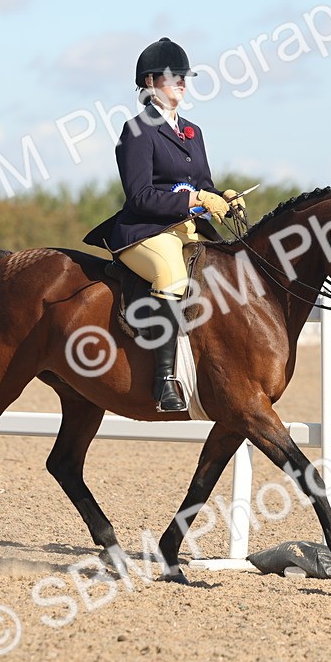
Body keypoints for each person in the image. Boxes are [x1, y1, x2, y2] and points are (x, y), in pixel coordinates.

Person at [83, 37, 244, 412]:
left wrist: (222, 195)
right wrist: (195, 199)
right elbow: (140, 196)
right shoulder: (136, 131)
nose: (183, 84)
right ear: (152, 81)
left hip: (188, 229)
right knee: (171, 276)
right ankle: (165, 380)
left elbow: (202, 184)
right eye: (175, 77)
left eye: (185, 77)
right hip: (146, 231)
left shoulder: (192, 131)